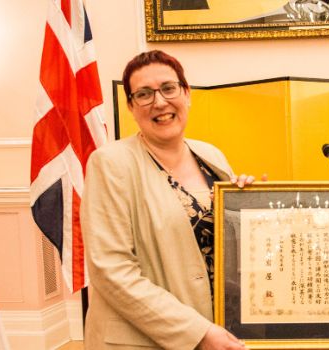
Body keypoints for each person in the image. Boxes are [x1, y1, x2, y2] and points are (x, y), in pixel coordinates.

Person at [81, 50, 258, 350]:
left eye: (168, 88)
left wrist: (250, 205)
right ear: (131, 106)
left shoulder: (211, 156)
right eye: (144, 94)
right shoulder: (110, 163)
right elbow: (111, 270)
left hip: (217, 328)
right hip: (145, 339)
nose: (159, 102)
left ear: (186, 93)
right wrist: (197, 333)